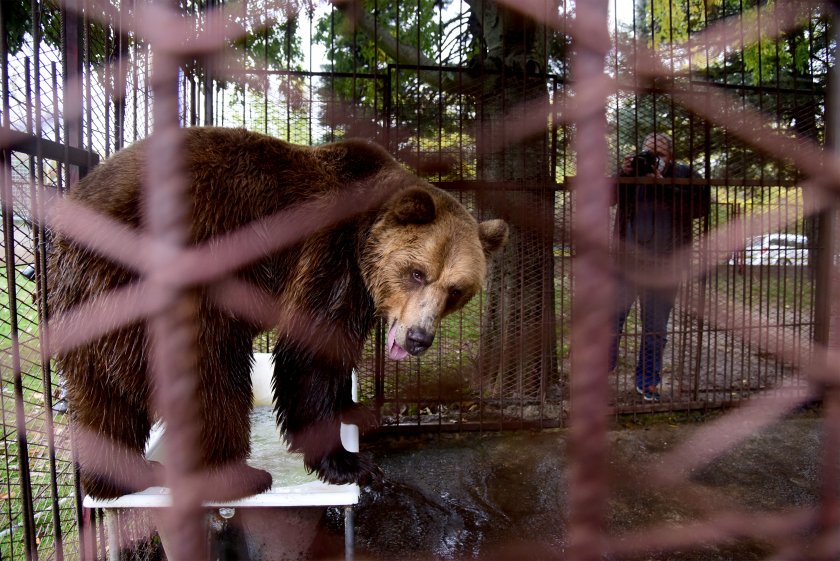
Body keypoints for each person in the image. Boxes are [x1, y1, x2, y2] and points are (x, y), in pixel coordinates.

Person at [609, 133, 710, 402]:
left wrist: (663, 185)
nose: (652, 158)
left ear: (671, 156)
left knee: (655, 327)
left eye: (659, 154)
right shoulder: (633, 173)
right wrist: (624, 173)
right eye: (648, 152)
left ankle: (648, 382)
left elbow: (700, 208)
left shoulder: (686, 174)